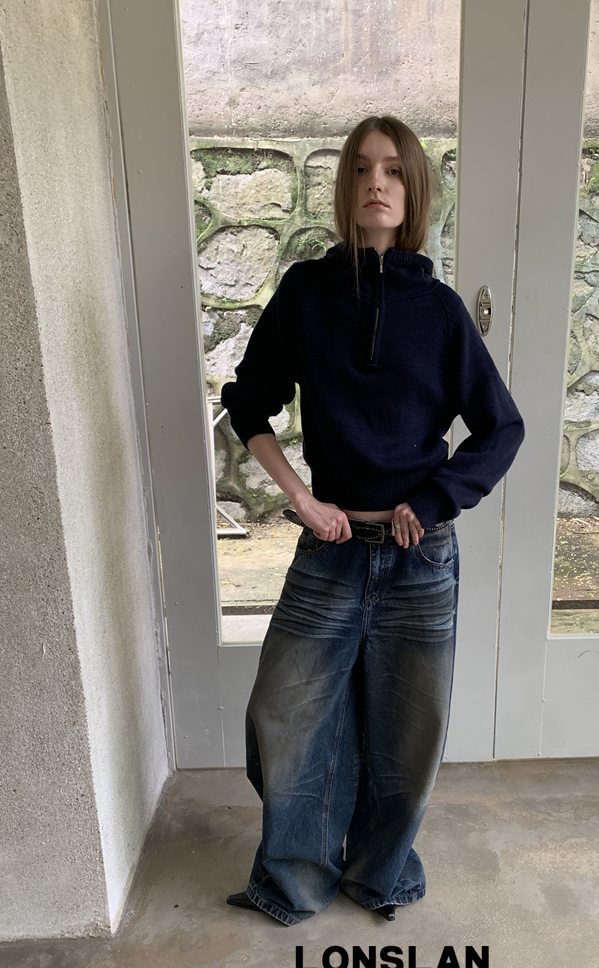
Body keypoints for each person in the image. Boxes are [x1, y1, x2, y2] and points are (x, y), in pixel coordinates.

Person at [220, 114, 525, 926]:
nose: (376, 183)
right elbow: (248, 403)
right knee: (283, 716)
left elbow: (501, 428)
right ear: (346, 187)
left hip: (420, 559)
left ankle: (380, 870)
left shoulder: (442, 311)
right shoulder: (306, 294)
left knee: (406, 735)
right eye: (361, 169)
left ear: (413, 188)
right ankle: (296, 878)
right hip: (331, 549)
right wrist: (300, 496)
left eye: (392, 169)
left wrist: (434, 499)